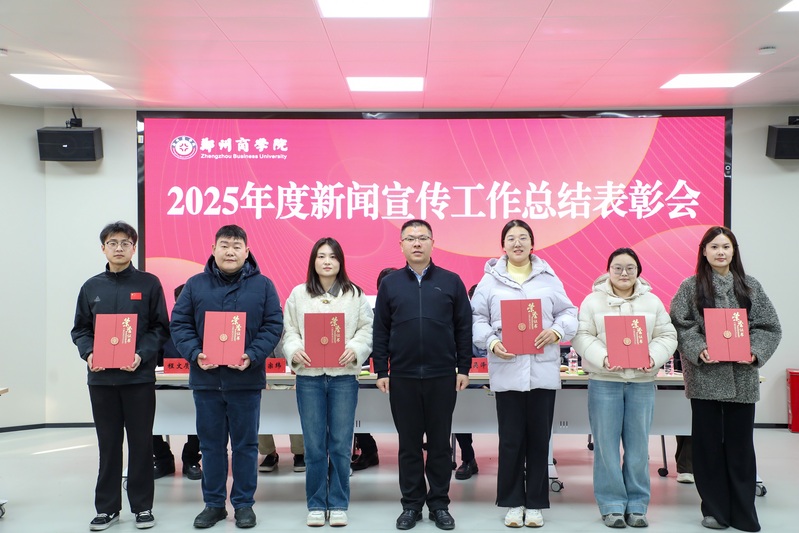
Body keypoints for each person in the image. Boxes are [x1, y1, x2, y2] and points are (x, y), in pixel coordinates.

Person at [170, 225, 283, 529]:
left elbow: (274, 324)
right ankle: (214, 504)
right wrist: (195, 353)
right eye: (224, 245)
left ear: (246, 251)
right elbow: (179, 324)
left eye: (236, 246)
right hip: (206, 381)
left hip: (245, 380)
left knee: (246, 446)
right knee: (211, 447)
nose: (230, 252)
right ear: (213, 249)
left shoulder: (263, 286)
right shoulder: (195, 285)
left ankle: (244, 504)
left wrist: (252, 354)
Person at [670, 226, 781, 532]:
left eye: (726, 247)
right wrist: (698, 348)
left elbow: (769, 326)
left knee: (741, 446)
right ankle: (715, 510)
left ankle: (744, 511)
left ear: (734, 252)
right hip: (706, 377)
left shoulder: (750, 286)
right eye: (714, 247)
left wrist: (754, 351)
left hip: (743, 378)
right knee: (707, 447)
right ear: (704, 251)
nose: (721, 252)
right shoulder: (690, 287)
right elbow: (680, 325)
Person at [471, 219, 577, 529]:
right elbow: (476, 319)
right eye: (511, 238)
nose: (517, 243)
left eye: (523, 238)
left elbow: (569, 313)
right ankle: (513, 502)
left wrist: (557, 331)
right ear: (502, 245)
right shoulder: (489, 281)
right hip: (507, 371)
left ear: (532, 244)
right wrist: (491, 342)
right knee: (511, 441)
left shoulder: (548, 278)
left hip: (542, 371)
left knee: (539, 441)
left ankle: (536, 504)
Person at [372, 220, 472, 531]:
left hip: (442, 376)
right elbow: (381, 329)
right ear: (401, 245)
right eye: (410, 238)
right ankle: (411, 505)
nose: (417, 243)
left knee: (440, 445)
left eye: (422, 238)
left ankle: (439, 504)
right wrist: (381, 369)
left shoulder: (451, 281)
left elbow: (463, 328)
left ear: (432, 243)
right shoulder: (390, 284)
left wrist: (464, 367)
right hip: (402, 376)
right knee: (409, 445)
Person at [71, 221, 169, 531]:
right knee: (108, 445)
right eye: (112, 243)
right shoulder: (91, 287)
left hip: (138, 378)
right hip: (101, 380)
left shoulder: (149, 283)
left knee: (141, 444)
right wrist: (89, 353)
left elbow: (160, 328)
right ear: (103, 248)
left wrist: (141, 354)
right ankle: (107, 508)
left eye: (125, 243)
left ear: (133, 248)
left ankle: (142, 507)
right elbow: (80, 329)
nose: (119, 248)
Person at [571, 248, 678, 528]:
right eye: (617, 268)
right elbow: (581, 335)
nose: (624, 273)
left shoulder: (652, 301)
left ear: (638, 271)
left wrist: (652, 357)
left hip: (642, 383)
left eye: (630, 268)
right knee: (605, 447)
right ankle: (612, 505)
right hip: (604, 381)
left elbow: (668, 335)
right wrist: (604, 358)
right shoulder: (592, 301)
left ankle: (638, 506)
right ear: (608, 270)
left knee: (639, 448)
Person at [282, 237, 374, 527]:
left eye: (333, 257)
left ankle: (337, 503)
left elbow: (367, 329)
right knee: (313, 445)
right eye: (321, 256)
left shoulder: (354, 294)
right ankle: (315, 503)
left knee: (340, 444)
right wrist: (294, 350)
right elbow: (290, 331)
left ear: (340, 262)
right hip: (309, 379)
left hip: (343, 378)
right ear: (313, 261)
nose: (327, 261)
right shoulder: (298, 294)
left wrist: (356, 349)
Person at [153, 284, 203, 481]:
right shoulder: (164, 329)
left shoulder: (207, 327)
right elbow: (155, 360)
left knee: (204, 415)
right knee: (144, 414)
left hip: (196, 386)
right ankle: (163, 459)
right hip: (164, 388)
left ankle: (191, 459)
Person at [351, 267, 397, 472]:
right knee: (353, 402)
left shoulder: (412, 311)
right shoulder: (370, 316)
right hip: (373, 376)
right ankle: (368, 449)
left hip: (405, 374)